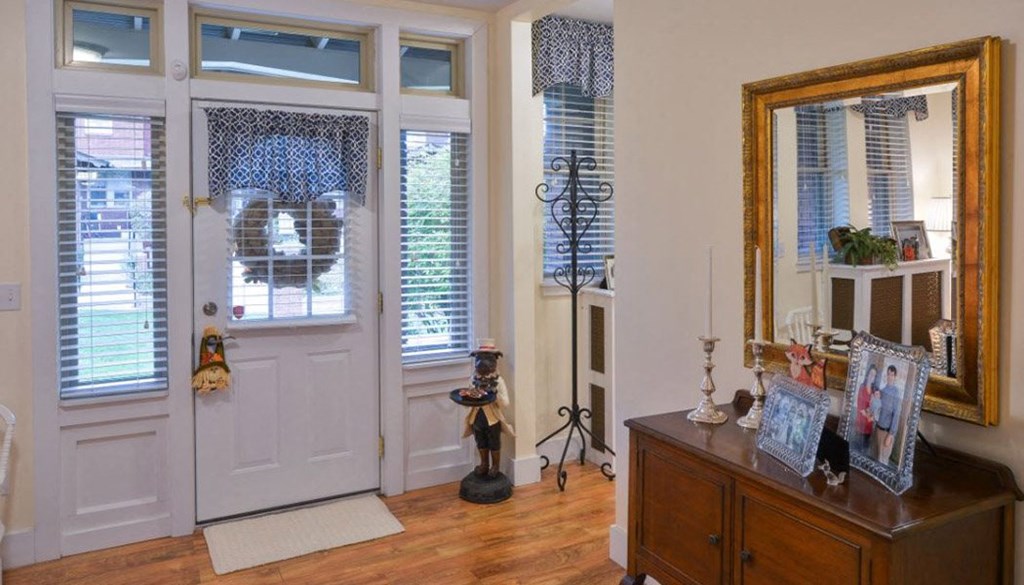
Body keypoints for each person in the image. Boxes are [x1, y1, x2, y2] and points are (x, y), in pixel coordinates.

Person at [462, 339, 515, 479]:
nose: (483, 363)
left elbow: (506, 403)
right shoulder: (473, 379)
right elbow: (468, 399)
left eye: (488, 359)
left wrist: (495, 394)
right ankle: (484, 463)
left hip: (492, 419)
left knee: (494, 442)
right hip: (477, 417)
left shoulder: (498, 381)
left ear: (495, 361)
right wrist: (469, 396)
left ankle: (495, 466)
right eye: (479, 358)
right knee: (480, 440)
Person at [875, 365, 903, 465]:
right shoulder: (882, 391)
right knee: (877, 457)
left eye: (892, 374)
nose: (889, 376)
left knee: (883, 460)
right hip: (878, 429)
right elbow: (878, 410)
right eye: (888, 374)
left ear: (895, 377)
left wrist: (890, 435)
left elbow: (896, 415)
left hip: (887, 432)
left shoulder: (896, 393)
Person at [854, 364, 879, 452]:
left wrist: (874, 416)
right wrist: (870, 417)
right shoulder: (862, 388)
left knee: (865, 450)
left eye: (874, 375)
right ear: (867, 374)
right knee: (857, 450)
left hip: (869, 427)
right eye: (871, 374)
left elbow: (875, 408)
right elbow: (860, 408)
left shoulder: (874, 391)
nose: (872, 376)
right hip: (860, 425)